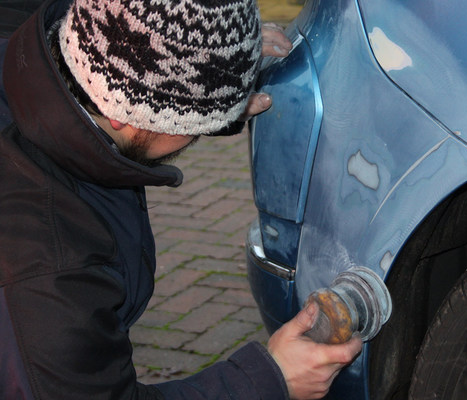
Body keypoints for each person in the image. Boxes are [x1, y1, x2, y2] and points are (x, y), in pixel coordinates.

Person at [0, 0, 363, 399]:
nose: (199, 133)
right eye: (192, 123)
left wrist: (217, 64)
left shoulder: (46, 68)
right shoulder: (47, 263)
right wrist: (268, 378)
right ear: (121, 109)